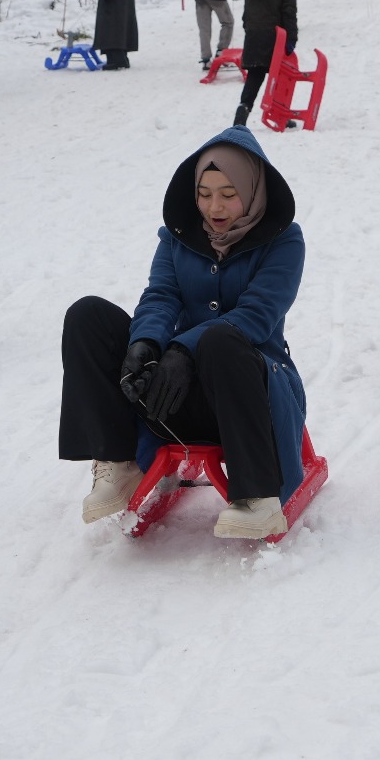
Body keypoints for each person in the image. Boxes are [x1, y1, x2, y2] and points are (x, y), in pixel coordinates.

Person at [59, 127, 310, 540]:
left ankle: (257, 497)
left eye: (229, 193)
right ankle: (119, 461)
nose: (214, 206)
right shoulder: (177, 238)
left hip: (251, 393)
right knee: (88, 315)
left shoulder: (284, 241)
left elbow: (257, 315)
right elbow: (161, 296)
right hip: (174, 393)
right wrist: (147, 345)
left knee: (222, 337)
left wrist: (183, 349)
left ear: (252, 189)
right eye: (204, 192)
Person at [233, 0, 298, 127]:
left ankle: (243, 109)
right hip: (276, 39)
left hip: (254, 37)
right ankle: (279, 115)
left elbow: (247, 15)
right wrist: (291, 39)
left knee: (255, 74)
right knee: (280, 76)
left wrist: (250, 31)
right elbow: (289, 14)